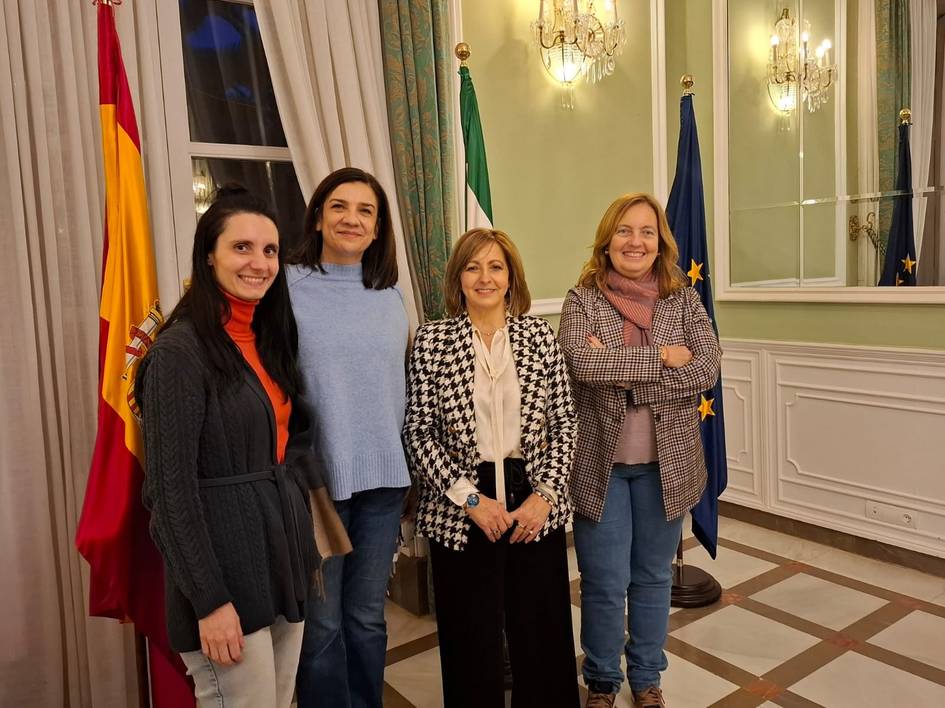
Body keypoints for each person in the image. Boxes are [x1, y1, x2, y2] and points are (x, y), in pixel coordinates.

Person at [138, 186, 335, 708]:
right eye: (241, 247)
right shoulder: (180, 353)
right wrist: (210, 601)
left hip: (281, 566)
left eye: (270, 250)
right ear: (210, 255)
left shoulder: (268, 340)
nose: (259, 263)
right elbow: (169, 496)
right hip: (224, 580)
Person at [558, 192, 722, 708]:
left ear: (661, 242)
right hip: (598, 467)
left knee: (652, 578)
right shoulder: (581, 298)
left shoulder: (684, 299)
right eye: (625, 231)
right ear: (607, 241)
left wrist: (625, 367)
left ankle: (647, 679)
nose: (636, 241)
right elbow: (584, 368)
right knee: (604, 582)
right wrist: (666, 361)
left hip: (666, 468)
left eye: (647, 232)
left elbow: (706, 370)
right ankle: (603, 682)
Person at [404, 228, 580, 708]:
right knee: (470, 636)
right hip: (462, 501)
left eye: (495, 267)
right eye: (473, 266)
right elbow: (418, 433)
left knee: (540, 633)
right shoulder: (433, 341)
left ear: (511, 278)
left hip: (532, 495)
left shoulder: (538, 336)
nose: (485, 277)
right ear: (458, 277)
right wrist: (471, 500)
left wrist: (544, 496)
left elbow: (565, 421)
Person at [287, 167, 411, 708]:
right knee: (323, 626)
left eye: (366, 211)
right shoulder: (285, 287)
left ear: (379, 229)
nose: (351, 219)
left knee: (366, 620)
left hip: (384, 484)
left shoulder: (390, 296)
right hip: (319, 488)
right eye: (340, 206)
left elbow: (398, 391)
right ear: (317, 216)